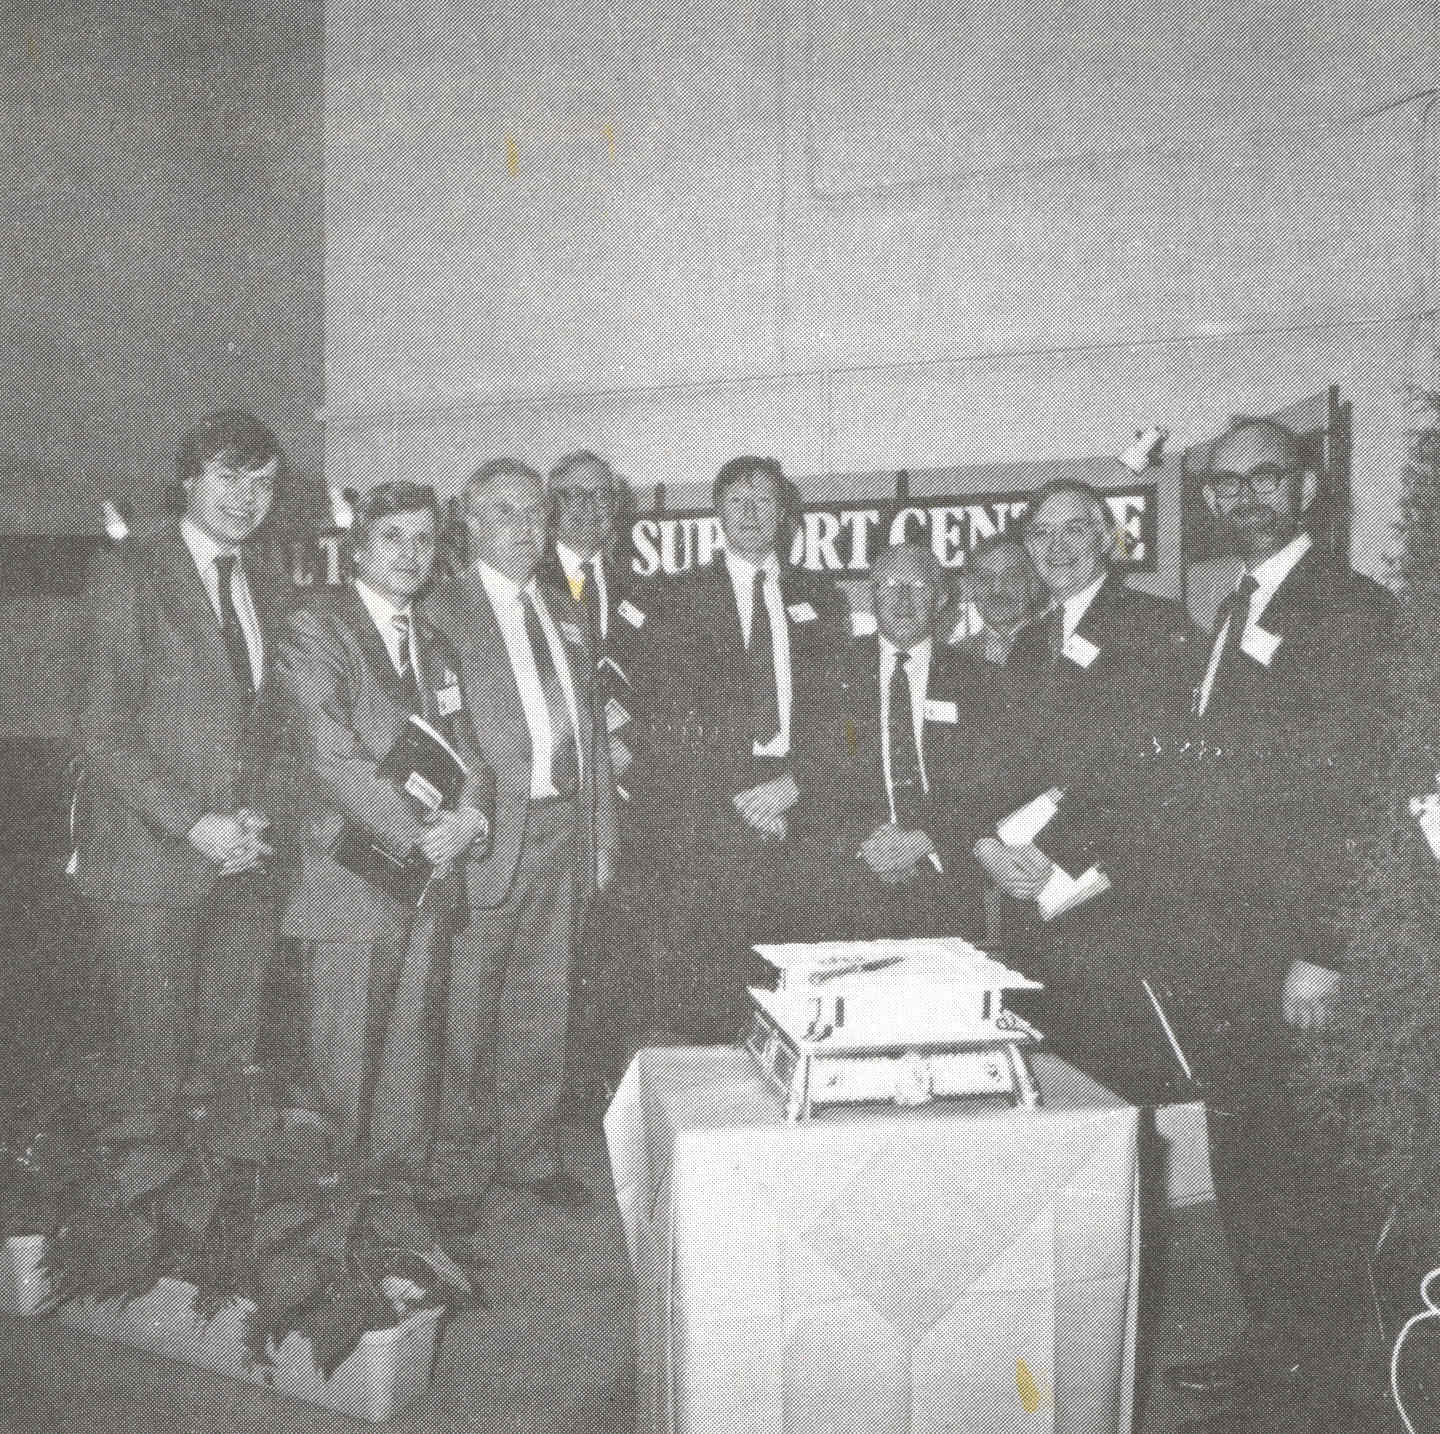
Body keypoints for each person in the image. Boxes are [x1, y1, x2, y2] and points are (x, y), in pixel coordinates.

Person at [1147, 419, 1397, 1432]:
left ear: (1305, 490)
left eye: (1264, 480)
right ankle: (1274, 1346)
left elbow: (1359, 794)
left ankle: (1324, 1377)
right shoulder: (1234, 605)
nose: (1243, 499)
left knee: (1305, 1165)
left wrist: (1321, 951)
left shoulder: (1347, 610)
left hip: (1295, 948)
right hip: (1225, 942)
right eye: (1224, 486)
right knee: (1246, 1149)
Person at [71, 410, 289, 1125]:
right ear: (188, 479)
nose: (246, 496)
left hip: (245, 864)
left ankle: (212, 1232)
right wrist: (195, 823)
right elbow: (101, 732)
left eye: (262, 481)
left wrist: (258, 818)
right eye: (229, 476)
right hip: (151, 866)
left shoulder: (265, 573)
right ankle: (145, 1230)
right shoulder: (129, 570)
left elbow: (268, 720)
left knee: (223, 1075)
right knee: (151, 1082)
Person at [273, 483, 491, 1171]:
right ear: (358, 546)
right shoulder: (316, 626)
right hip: (350, 886)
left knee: (407, 1081)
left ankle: (392, 1239)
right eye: (393, 536)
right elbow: (330, 753)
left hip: (427, 888)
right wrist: (425, 834)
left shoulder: (436, 644)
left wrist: (470, 818)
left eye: (423, 538)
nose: (409, 552)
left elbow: (471, 754)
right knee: (339, 1087)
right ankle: (326, 1248)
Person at [425, 458, 616, 1211]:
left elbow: (590, 726)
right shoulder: (442, 608)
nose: (524, 527)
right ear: (468, 523)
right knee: (467, 1007)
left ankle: (529, 1152)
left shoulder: (565, 607)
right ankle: (456, 1170)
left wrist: (602, 834)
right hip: (487, 835)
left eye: (534, 512)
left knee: (544, 1001)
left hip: (563, 829)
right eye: (503, 512)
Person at [977, 478, 1193, 1103]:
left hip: (1113, 911)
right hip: (1032, 907)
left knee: (1122, 1098)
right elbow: (999, 772)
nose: (1056, 546)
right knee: (1055, 1097)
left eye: (1074, 529)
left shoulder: (1155, 625)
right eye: (1041, 533)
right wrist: (986, 845)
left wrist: (1058, 853)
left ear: (1106, 537)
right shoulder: (1029, 645)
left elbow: (1150, 770)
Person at [639, 456, 847, 1042]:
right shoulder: (676, 596)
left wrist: (795, 787)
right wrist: (738, 804)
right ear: (718, 515)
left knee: (793, 987)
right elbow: (663, 716)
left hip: (798, 813)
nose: (753, 513)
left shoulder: (821, 597)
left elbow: (839, 713)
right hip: (710, 818)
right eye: (738, 501)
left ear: (784, 513)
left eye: (765, 500)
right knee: (707, 988)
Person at [540, 451, 659, 1104]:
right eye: (572, 495)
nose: (587, 508)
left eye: (600, 497)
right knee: (551, 948)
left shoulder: (638, 586)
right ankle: (546, 1089)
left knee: (614, 943)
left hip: (628, 795)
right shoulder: (526, 581)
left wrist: (629, 745)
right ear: (550, 503)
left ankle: (599, 1084)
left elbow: (661, 688)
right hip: (557, 795)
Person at [805, 542, 994, 942]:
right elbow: (813, 771)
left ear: (942, 599)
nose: (903, 598)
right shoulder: (828, 672)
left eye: (918, 586)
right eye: (890, 585)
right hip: (851, 880)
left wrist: (924, 839)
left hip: (946, 883)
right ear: (872, 595)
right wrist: (867, 840)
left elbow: (989, 784)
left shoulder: (980, 681)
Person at [943, 532, 1045, 667]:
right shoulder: (951, 660)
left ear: (1033, 584)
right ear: (971, 586)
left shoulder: (1055, 646)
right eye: (985, 578)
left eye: (1011, 576)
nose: (996, 590)